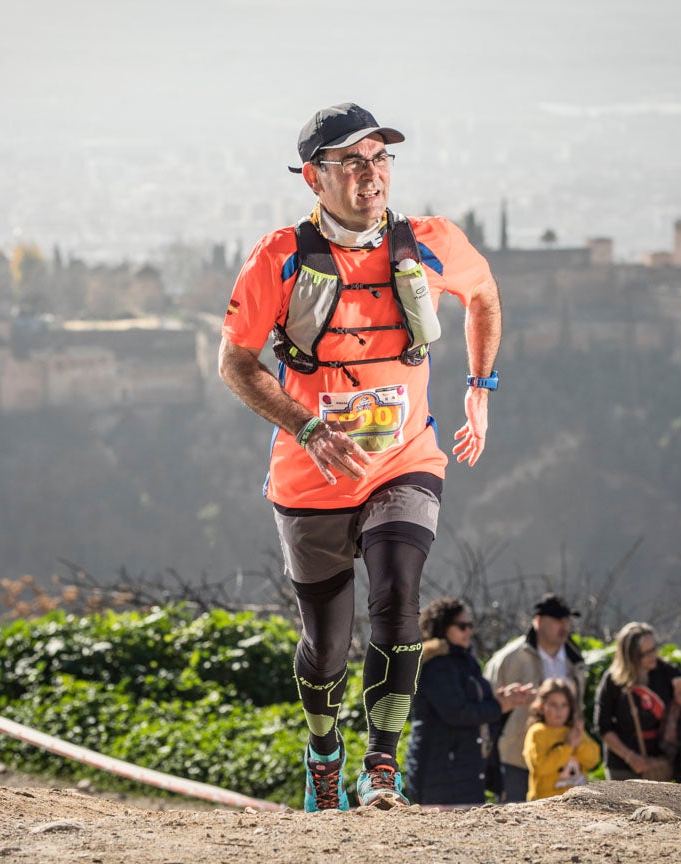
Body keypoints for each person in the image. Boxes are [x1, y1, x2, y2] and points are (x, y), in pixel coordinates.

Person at [218, 103, 503, 812]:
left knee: (399, 596)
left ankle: (382, 768)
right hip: (309, 475)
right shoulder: (278, 257)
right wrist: (308, 428)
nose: (370, 175)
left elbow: (484, 296)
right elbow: (236, 365)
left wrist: (480, 388)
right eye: (351, 162)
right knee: (327, 644)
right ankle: (323, 748)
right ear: (315, 178)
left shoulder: (430, 240)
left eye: (379, 159)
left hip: (405, 459)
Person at [404, 597, 532, 805]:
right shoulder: (436, 664)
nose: (468, 631)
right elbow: (457, 713)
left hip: (465, 768)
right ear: (443, 628)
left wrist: (504, 698)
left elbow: (474, 703)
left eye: (470, 626)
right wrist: (499, 705)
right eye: (462, 626)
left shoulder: (464, 660)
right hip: (439, 771)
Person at [484, 593, 586, 802]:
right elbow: (488, 706)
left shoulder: (575, 660)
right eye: (557, 620)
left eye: (567, 620)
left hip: (564, 755)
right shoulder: (508, 659)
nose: (564, 626)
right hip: (517, 755)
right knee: (515, 818)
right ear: (538, 621)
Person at [594, 622, 681, 781]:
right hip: (622, 767)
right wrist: (630, 757)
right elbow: (603, 726)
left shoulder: (668, 674)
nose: (653, 655)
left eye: (654, 649)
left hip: (659, 766)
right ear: (630, 657)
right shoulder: (612, 681)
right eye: (646, 653)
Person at [523, 677, 601, 801]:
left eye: (564, 705)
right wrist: (568, 746)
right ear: (541, 707)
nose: (559, 710)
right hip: (545, 802)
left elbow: (593, 761)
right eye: (553, 704)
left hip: (577, 800)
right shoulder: (537, 732)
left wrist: (579, 744)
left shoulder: (574, 730)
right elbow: (540, 767)